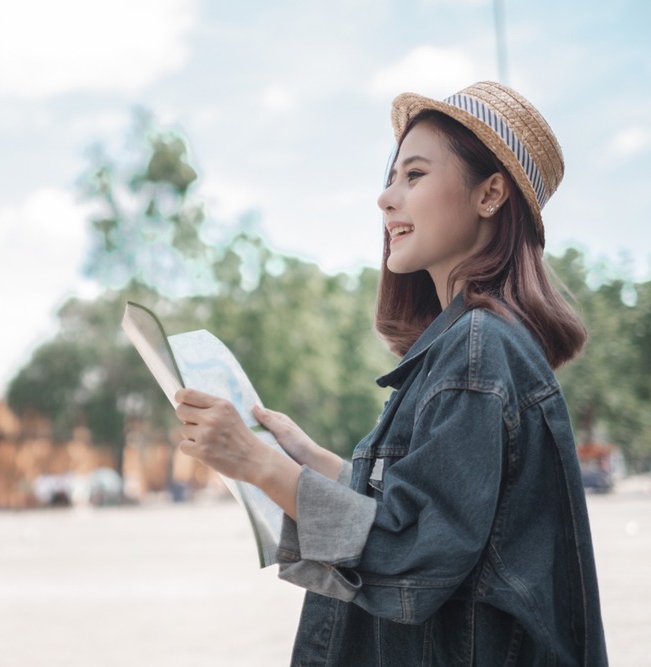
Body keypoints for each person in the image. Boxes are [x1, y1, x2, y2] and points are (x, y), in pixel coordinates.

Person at [174, 81, 607, 665]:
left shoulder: (479, 350)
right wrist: (314, 461)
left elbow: (411, 550)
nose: (385, 198)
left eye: (415, 175)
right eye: (390, 177)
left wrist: (258, 464)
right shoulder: (469, 343)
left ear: (490, 194)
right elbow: (423, 507)